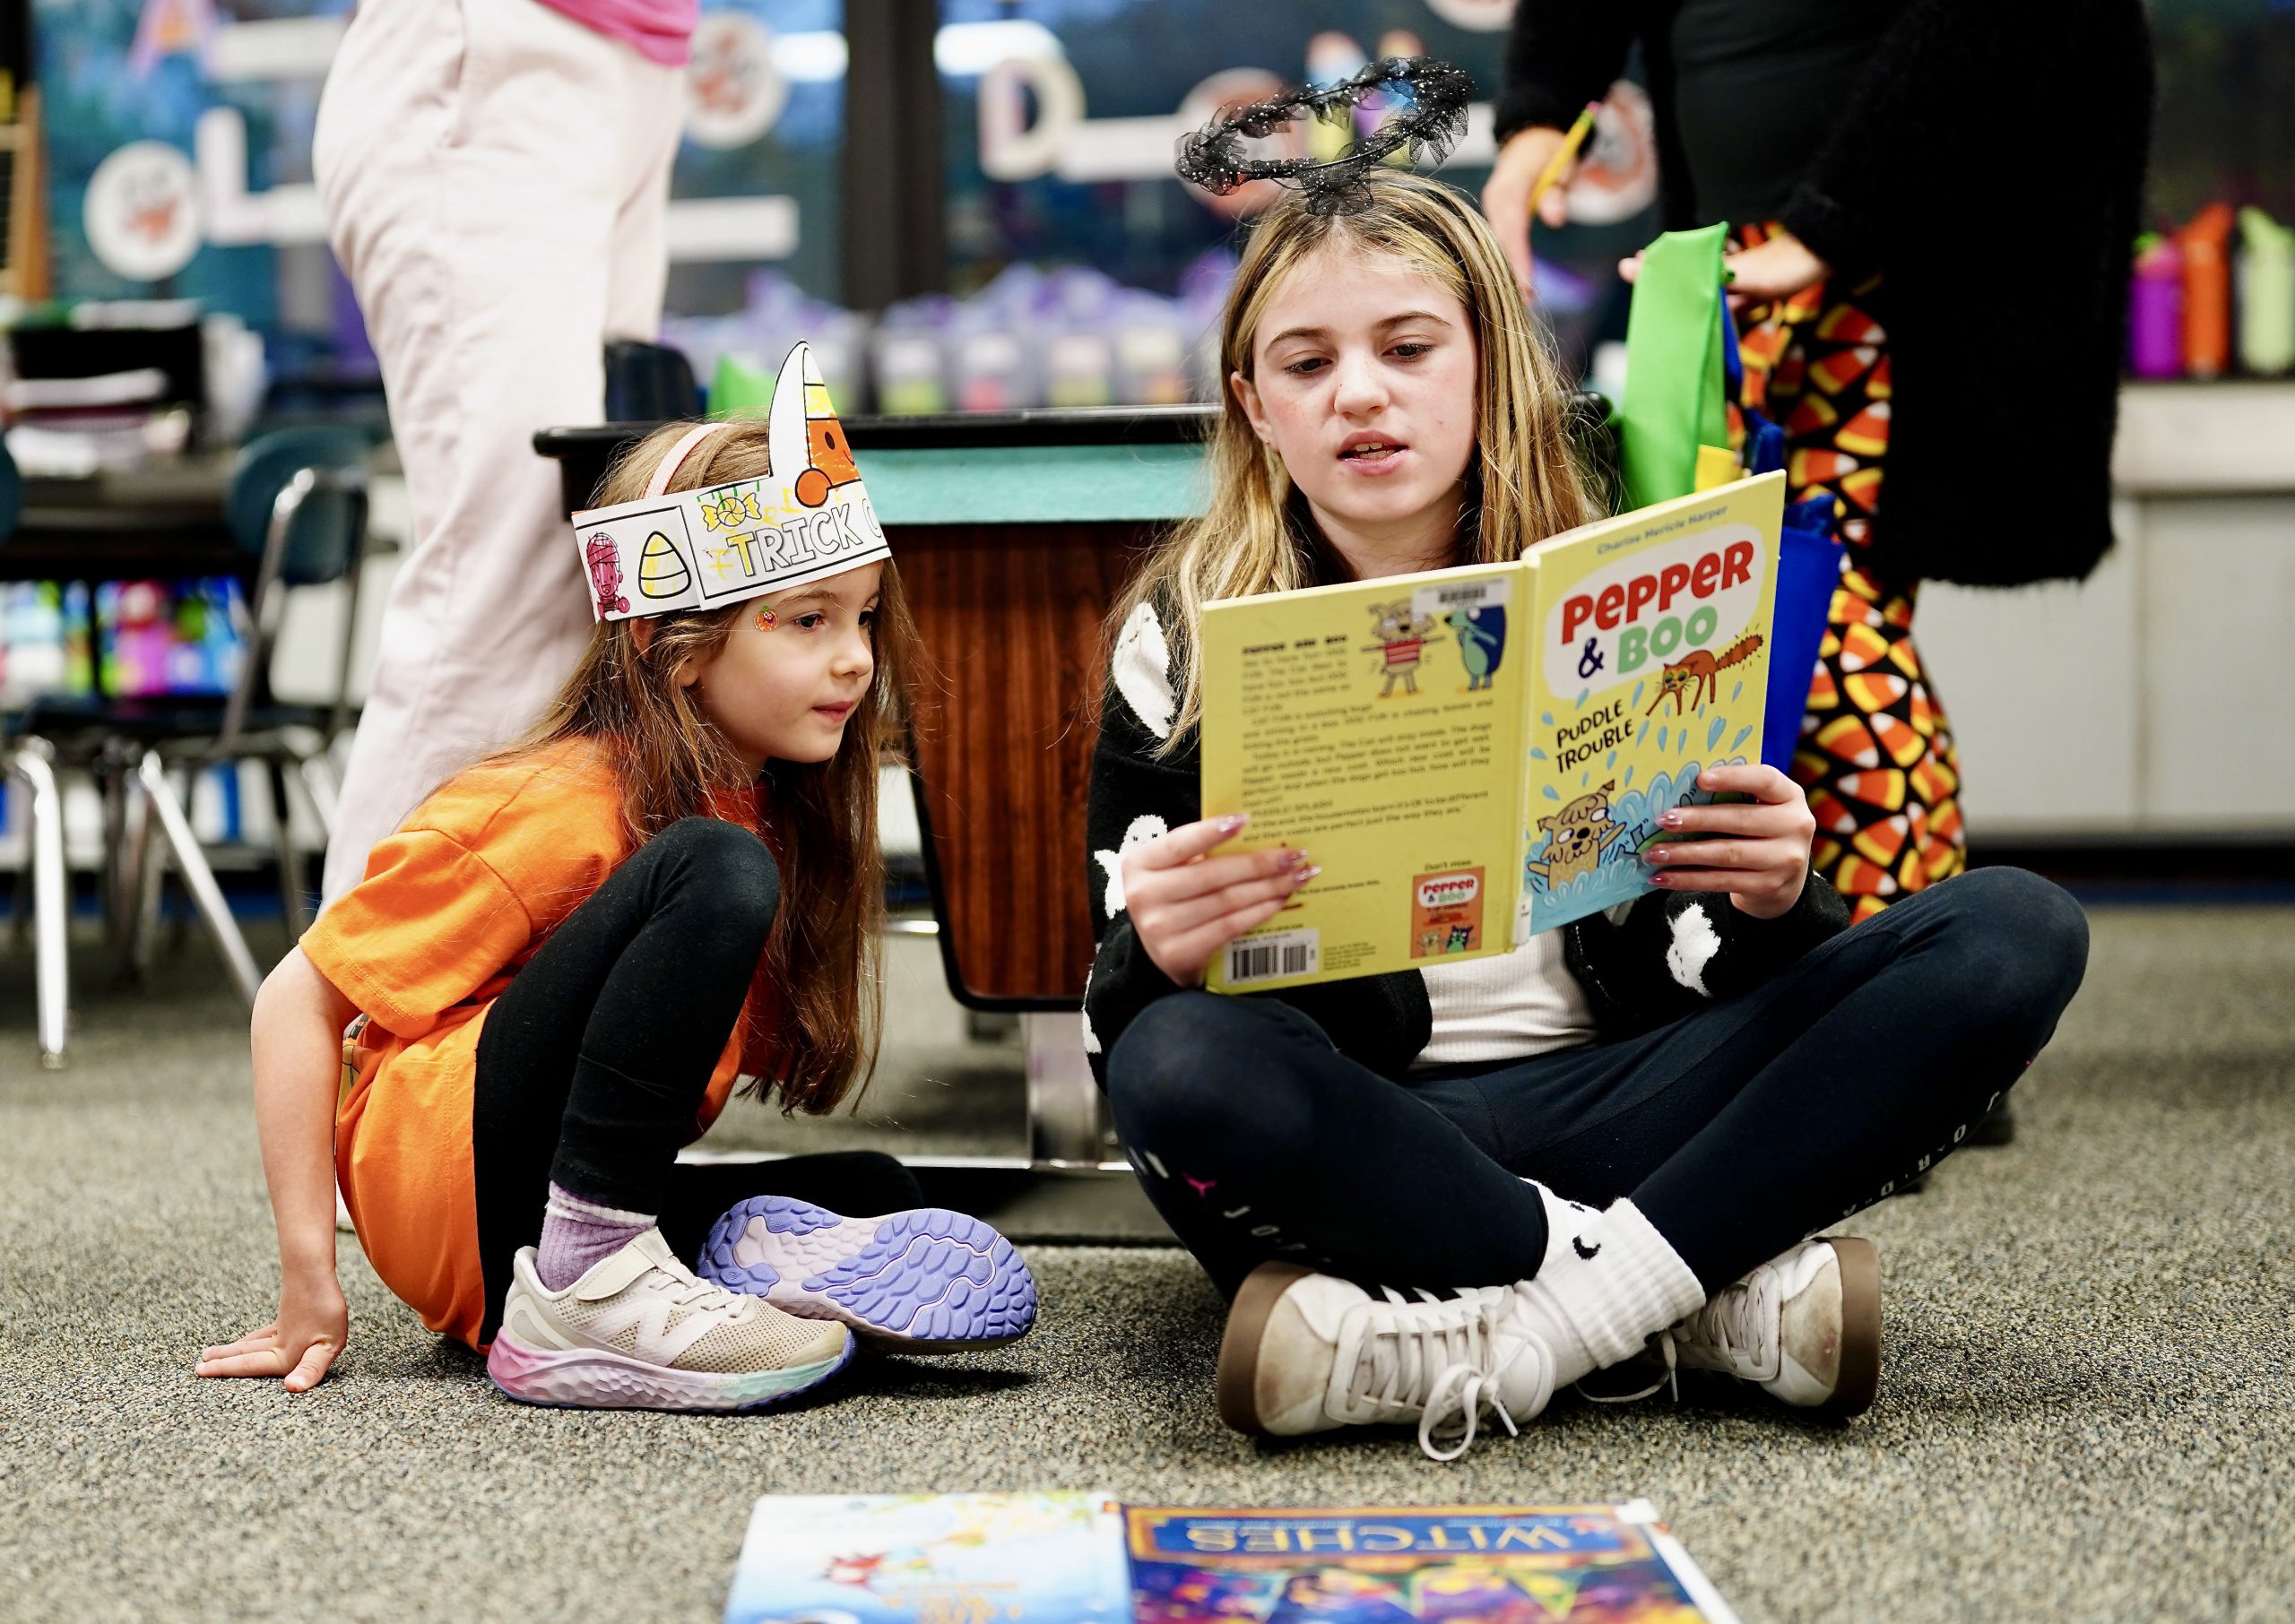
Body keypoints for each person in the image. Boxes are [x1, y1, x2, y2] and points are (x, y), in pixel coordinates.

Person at [1082, 163, 2088, 1462]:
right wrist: (1146, 952)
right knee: (1182, 1068)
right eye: (1307, 363)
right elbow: (1118, 1033)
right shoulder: (1183, 641)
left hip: (1634, 1096)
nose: (1362, 394)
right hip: (1377, 1127)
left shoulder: (1636, 582)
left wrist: (1779, 894)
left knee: (2015, 930)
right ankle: (1679, 1295)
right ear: (1254, 406)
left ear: (1490, 365)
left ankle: (1495, 1334)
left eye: (1406, 347)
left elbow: (1714, 955)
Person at [200, 358, 1039, 1412]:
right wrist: (307, 1276)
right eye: (806, 621)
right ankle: (596, 1280)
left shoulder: (765, 810)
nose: (857, 660)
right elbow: (295, 999)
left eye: (864, 618)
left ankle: (650, 1276)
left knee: (872, 1192)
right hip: (459, 1186)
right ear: (673, 644)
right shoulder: (559, 799)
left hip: (523, 1232)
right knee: (713, 865)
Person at [1480, 0, 2152, 927]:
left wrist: (1834, 218)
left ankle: (1922, 1012)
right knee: (1765, 659)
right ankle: (1889, 1002)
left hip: (1878, 270)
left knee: (1813, 648)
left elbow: (2002, 28)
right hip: (1745, 263)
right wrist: (1539, 116)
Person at [312, 0, 697, 905]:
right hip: (497, 54)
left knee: (605, 585)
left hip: (639, 63)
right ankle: (343, 1029)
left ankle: (496, 1021)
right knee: (500, 581)